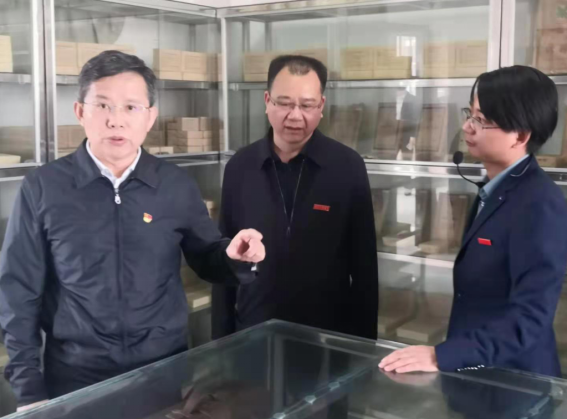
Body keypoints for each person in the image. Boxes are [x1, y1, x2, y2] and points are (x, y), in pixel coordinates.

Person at [0, 50, 265, 410]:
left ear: (150, 116)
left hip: (161, 370)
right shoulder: (43, 187)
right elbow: (19, 292)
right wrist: (29, 390)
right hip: (76, 375)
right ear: (80, 111)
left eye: (131, 107)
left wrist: (234, 256)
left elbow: (206, 256)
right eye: (103, 106)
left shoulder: (174, 185)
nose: (116, 121)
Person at [379, 65, 567, 377]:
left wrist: (441, 356)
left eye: (481, 120)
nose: (467, 127)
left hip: (514, 382)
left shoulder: (539, 204)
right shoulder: (494, 189)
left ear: (520, 135)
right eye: (470, 114)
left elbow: (530, 319)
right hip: (477, 372)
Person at [212, 55, 378, 341]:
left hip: (326, 339)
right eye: (285, 103)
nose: (295, 116)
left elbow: (365, 269)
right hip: (253, 334)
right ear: (267, 101)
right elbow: (225, 261)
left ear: (321, 106)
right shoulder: (240, 167)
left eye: (307, 105)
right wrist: (220, 342)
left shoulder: (347, 167)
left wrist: (363, 349)